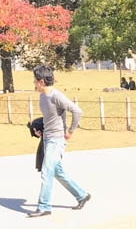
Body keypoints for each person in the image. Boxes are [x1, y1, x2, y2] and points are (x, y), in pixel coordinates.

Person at [26, 65, 91, 219]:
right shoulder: (42, 96)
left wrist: (70, 131)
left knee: (47, 171)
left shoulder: (56, 96)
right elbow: (50, 118)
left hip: (57, 140)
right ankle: (82, 195)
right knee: (57, 172)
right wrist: (39, 130)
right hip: (48, 138)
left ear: (41, 82)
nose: (33, 83)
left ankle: (44, 206)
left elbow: (77, 111)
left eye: (35, 80)